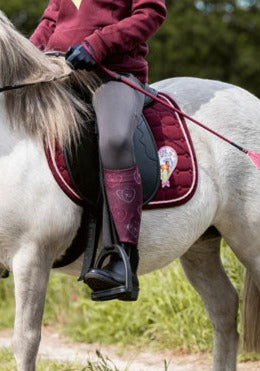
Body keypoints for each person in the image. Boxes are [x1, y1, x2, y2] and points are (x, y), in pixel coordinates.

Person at [30, 0, 167, 301]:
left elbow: (150, 14)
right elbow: (50, 23)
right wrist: (28, 56)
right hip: (59, 73)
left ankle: (122, 257)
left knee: (114, 140)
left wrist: (98, 44)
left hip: (112, 73)